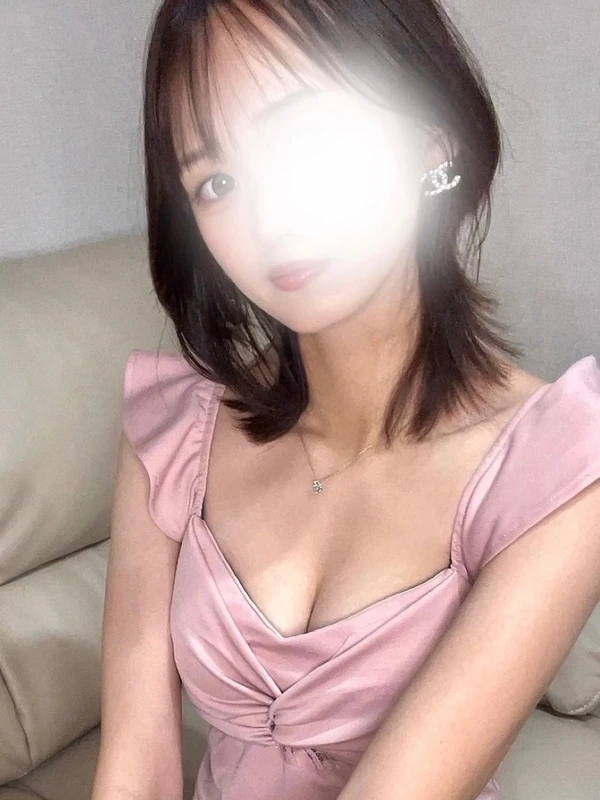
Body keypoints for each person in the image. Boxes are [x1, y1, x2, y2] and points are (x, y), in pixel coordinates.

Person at [91, 2, 600, 799]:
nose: (269, 219)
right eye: (217, 182)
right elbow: (136, 769)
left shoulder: (559, 470)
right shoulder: (173, 433)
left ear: (431, 139)